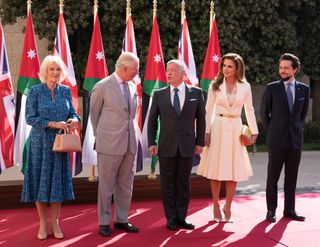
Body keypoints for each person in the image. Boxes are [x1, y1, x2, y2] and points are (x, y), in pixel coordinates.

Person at [21, 55, 80, 240]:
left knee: (57, 185)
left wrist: (74, 120)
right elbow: (29, 118)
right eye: (51, 69)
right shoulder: (35, 91)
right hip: (40, 144)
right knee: (40, 183)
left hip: (60, 146)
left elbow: (72, 112)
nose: (55, 72)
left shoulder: (65, 91)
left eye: (58, 70)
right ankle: (42, 223)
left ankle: (55, 223)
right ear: (45, 71)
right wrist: (53, 123)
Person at [197, 53, 258, 223]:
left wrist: (254, 131)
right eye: (224, 66)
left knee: (233, 172)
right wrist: (206, 132)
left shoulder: (245, 87)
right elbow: (208, 110)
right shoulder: (214, 85)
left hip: (236, 130)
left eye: (230, 66)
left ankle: (228, 206)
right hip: (218, 128)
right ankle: (216, 205)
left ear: (238, 68)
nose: (226, 69)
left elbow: (250, 109)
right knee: (216, 171)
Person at [148, 59, 205, 230]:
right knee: (168, 184)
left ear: (183, 74)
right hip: (166, 146)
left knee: (184, 183)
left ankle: (182, 217)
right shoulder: (159, 94)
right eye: (168, 70)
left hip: (188, 145)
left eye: (173, 70)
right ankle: (170, 218)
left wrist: (200, 142)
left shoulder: (196, 92)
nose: (169, 72)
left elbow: (201, 121)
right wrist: (152, 142)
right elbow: (152, 120)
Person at [90, 52, 140, 237]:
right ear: (124, 67)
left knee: (126, 184)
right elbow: (94, 116)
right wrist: (103, 136)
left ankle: (122, 219)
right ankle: (104, 221)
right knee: (106, 186)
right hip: (109, 144)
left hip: (129, 144)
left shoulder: (133, 87)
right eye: (135, 69)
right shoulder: (102, 86)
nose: (137, 72)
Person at [260, 53, 310, 222]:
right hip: (276, 140)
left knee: (291, 177)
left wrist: (294, 129)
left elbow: (301, 115)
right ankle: (271, 210)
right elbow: (263, 113)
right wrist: (273, 130)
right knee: (272, 176)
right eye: (281, 67)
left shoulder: (304, 89)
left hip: (295, 140)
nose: (282, 70)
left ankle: (289, 210)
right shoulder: (271, 88)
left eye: (286, 68)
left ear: (295, 69)